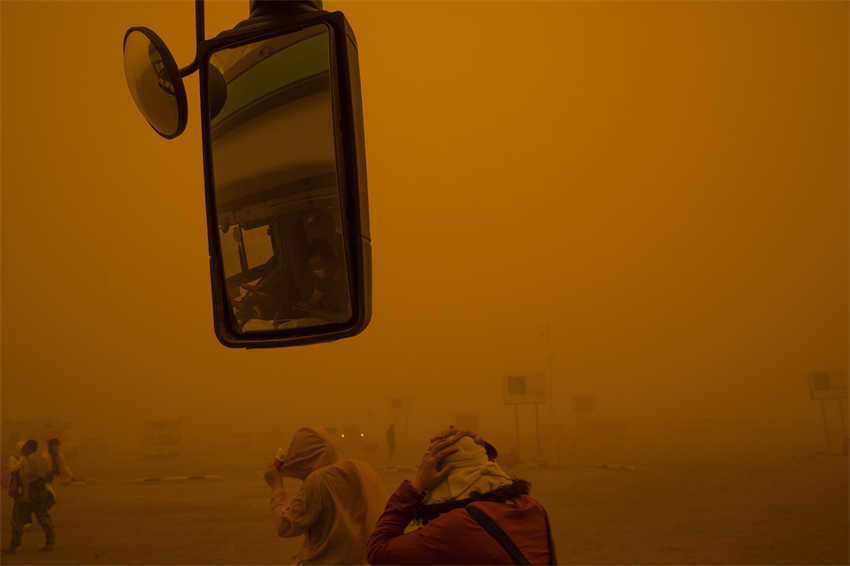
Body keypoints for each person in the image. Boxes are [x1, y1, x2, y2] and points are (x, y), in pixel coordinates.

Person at [367, 429, 556, 565]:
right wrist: (475, 451)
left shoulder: (455, 526)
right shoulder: (531, 508)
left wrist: (417, 486)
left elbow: (378, 552)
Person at [264, 426, 388, 565]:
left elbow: (286, 526)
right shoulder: (362, 470)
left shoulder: (318, 480)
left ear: (305, 457)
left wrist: (277, 487)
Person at [4, 440, 56, 554]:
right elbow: (48, 475)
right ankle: (50, 543)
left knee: (17, 519)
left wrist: (25, 496)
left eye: (24, 448)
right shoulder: (41, 459)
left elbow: (26, 479)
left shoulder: (27, 460)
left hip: (30, 492)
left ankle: (15, 546)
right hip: (41, 492)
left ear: (28, 449)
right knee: (43, 517)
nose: (22, 450)